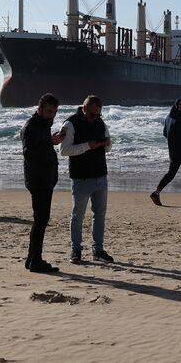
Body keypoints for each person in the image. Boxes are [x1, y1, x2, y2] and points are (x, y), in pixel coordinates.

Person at [59, 94, 113, 263]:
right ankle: (76, 250)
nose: (95, 118)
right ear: (84, 109)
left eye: (98, 114)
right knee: (78, 216)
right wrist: (88, 146)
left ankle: (98, 250)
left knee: (100, 215)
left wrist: (106, 144)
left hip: (100, 175)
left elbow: (109, 147)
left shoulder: (100, 123)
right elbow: (64, 150)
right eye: (92, 114)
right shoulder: (70, 124)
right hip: (81, 177)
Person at [21, 93, 66, 273]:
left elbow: (39, 148)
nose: (52, 115)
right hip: (38, 179)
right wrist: (50, 141)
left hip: (43, 178)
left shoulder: (41, 125)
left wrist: (50, 141)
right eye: (49, 111)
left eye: (54, 112)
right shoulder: (32, 126)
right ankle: (35, 261)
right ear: (40, 109)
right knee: (40, 221)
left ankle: (32, 258)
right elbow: (29, 153)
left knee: (40, 220)